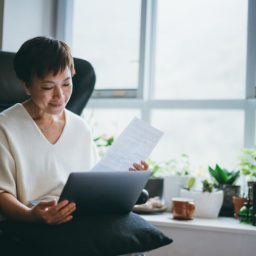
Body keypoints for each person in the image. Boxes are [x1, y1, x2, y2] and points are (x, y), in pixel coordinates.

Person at [0, 36, 148, 226]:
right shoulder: (5, 127)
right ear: (26, 86)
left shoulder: (80, 127)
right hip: (30, 224)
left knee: (134, 228)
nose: (60, 96)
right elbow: (2, 193)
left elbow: (94, 184)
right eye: (48, 87)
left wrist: (128, 179)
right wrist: (31, 215)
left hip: (78, 219)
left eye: (67, 83)